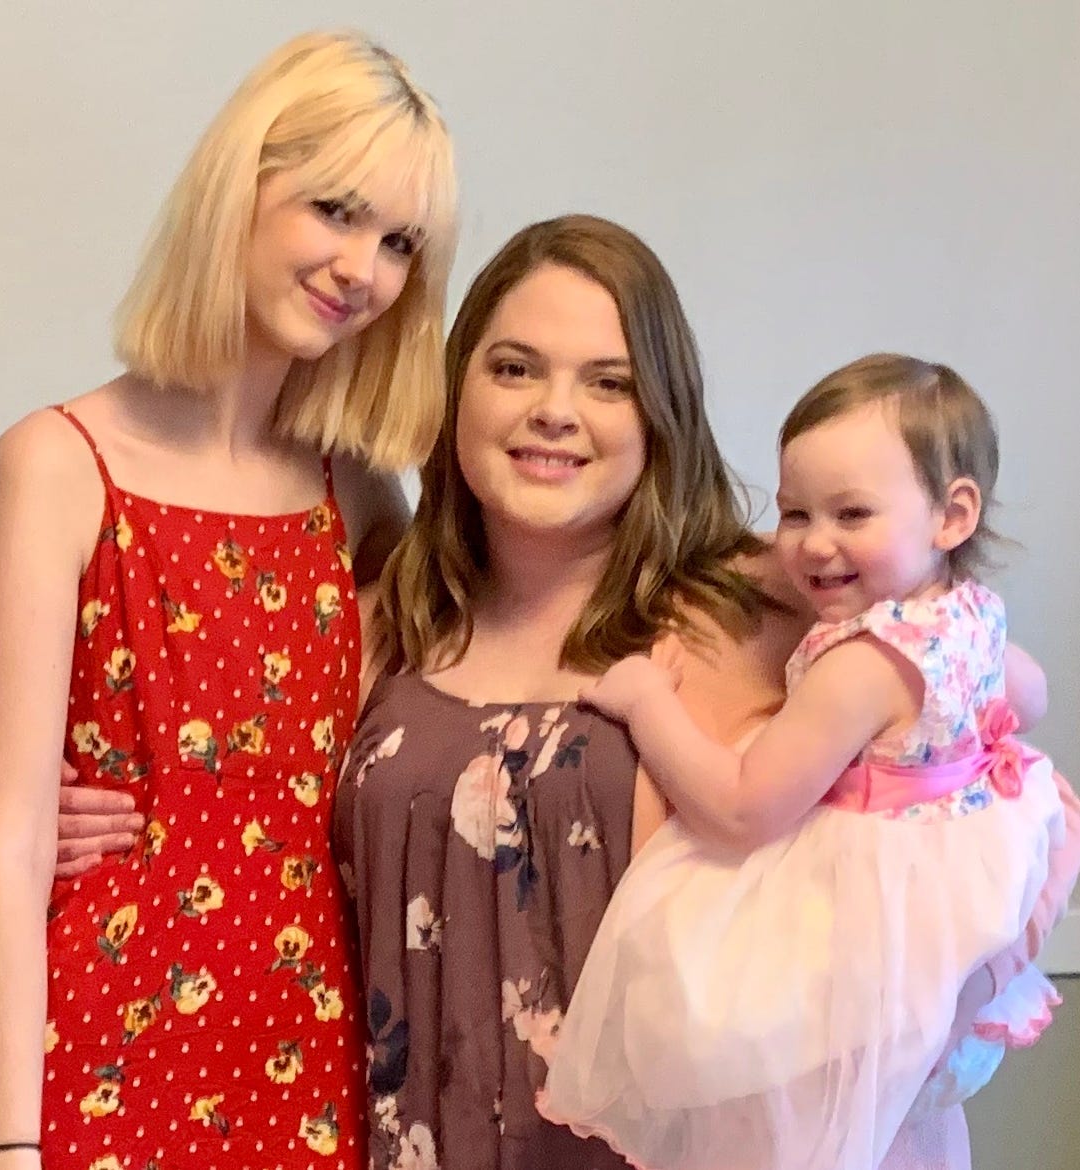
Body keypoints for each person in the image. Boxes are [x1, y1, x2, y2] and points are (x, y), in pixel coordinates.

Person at [329, 216, 1080, 1170]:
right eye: (513, 367)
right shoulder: (391, 616)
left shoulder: (774, 600)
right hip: (428, 1131)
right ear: (456, 387)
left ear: (661, 412)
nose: (554, 410)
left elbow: (986, 749)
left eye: (609, 381)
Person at [0, 29, 457, 1170]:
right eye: (334, 210)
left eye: (397, 243)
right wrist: (6, 1148)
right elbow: (12, 847)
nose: (361, 270)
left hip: (313, 1040)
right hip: (96, 1040)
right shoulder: (56, 463)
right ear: (242, 184)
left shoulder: (365, 493)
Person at [540, 355, 1064, 1170]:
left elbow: (745, 806)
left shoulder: (857, 666)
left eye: (850, 513)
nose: (814, 545)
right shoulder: (968, 615)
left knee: (774, 1086)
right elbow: (1023, 699)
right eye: (793, 514)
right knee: (890, 1125)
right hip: (952, 886)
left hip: (858, 909)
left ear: (951, 514)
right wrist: (937, 754)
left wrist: (648, 703)